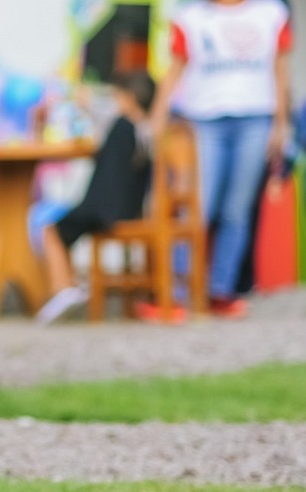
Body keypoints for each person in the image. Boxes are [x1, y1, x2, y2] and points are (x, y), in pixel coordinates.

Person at [150, 0, 294, 318]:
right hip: (204, 119)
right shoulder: (190, 18)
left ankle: (221, 290)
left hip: (256, 116)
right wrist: (157, 118)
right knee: (199, 208)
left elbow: (279, 69)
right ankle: (176, 292)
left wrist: (281, 124)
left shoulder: (271, 13)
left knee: (236, 211)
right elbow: (175, 69)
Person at [35, 70, 156, 324]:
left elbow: (96, 113)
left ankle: (63, 290)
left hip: (103, 209)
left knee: (50, 230)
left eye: (118, 97)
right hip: (129, 209)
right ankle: (70, 289)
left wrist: (83, 100)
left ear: (130, 99)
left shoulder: (122, 125)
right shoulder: (147, 132)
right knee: (65, 227)